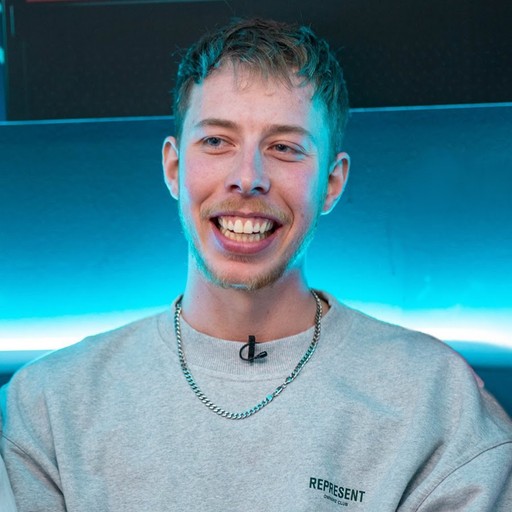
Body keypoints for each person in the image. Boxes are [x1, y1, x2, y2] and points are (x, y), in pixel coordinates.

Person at [1, 17, 511, 512]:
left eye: (284, 147)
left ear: (332, 184)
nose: (248, 178)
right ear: (174, 168)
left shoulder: (437, 403)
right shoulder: (47, 407)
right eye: (216, 141)